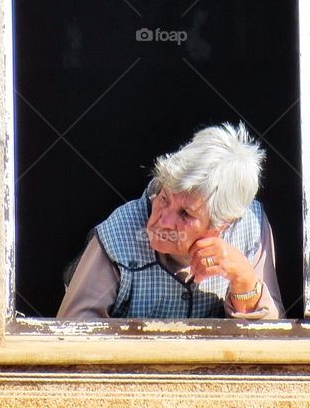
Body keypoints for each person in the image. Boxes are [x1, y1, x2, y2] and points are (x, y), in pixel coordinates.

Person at [58, 123, 284, 320]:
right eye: (164, 198)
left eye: (185, 214)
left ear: (223, 224)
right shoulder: (117, 234)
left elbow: (271, 339)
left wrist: (243, 279)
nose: (163, 221)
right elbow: (73, 332)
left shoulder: (250, 228)